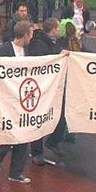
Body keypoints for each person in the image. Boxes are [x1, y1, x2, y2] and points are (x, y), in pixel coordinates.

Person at [0, 20, 34, 184]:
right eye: (31, 34)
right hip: (7, 99)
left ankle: (16, 172)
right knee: (11, 132)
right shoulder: (3, 51)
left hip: (23, 99)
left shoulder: (29, 50)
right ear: (25, 35)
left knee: (24, 134)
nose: (32, 37)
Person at [27, 18, 64, 165]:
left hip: (55, 85)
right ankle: (37, 153)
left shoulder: (56, 42)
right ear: (52, 29)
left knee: (61, 115)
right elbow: (41, 63)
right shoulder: (38, 44)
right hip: (42, 87)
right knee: (39, 119)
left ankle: (53, 141)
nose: (60, 29)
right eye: (58, 27)